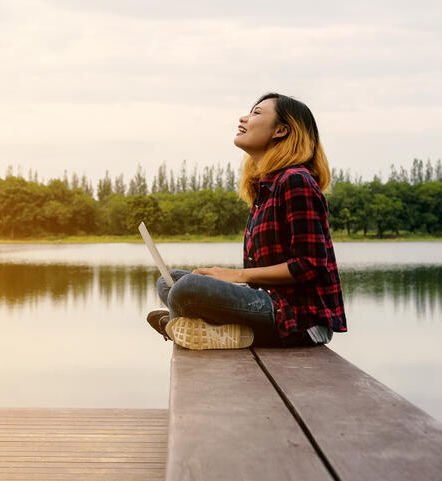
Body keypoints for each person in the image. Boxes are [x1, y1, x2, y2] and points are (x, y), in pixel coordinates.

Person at [147, 92, 347, 349]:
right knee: (170, 280)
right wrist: (227, 279)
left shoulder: (295, 180)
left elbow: (308, 265)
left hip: (301, 321)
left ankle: (190, 326)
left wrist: (232, 275)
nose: (244, 118)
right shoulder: (265, 189)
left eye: (256, 113)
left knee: (188, 289)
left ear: (281, 130)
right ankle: (209, 329)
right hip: (268, 303)